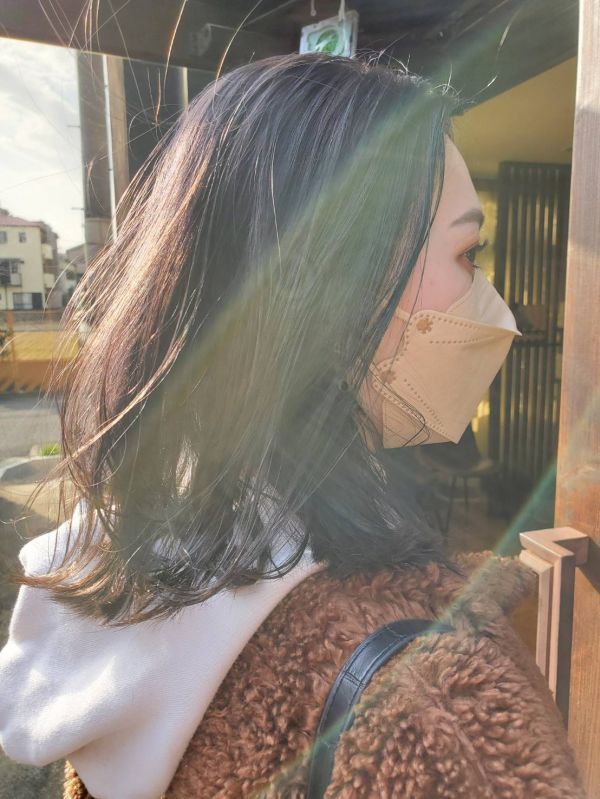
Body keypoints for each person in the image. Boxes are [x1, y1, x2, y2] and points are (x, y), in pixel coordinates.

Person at [0, 52, 586, 798]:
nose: (492, 302)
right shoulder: (432, 716)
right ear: (333, 286)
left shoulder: (121, 569)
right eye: (468, 252)